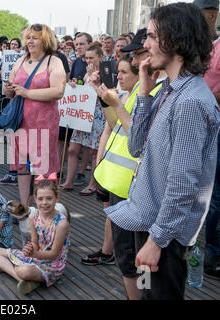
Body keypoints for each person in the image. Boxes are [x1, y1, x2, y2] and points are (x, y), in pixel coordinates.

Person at [105, 3, 219, 300]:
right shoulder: (167, 90)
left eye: (153, 36)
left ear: (176, 39)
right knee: (145, 296)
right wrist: (143, 92)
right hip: (150, 225)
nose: (146, 44)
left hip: (163, 237)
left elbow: (183, 183)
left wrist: (156, 241)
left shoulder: (190, 101)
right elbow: (136, 145)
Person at [89, 54, 143, 299]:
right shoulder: (131, 93)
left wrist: (117, 104)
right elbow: (115, 124)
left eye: (124, 72)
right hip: (119, 182)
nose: (118, 76)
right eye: (118, 71)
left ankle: (142, 296)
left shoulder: (146, 95)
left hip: (131, 186)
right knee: (129, 254)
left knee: (134, 255)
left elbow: (139, 139)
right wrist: (105, 98)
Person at [4, 23, 66, 207]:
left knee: (42, 167)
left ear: (45, 40)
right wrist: (9, 89)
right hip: (20, 122)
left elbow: (58, 91)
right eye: (28, 37)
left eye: (34, 37)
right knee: (22, 165)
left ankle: (44, 207)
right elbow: (10, 92)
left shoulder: (53, 62)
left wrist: (28, 93)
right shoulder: (21, 60)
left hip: (44, 123)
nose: (30, 41)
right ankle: (25, 205)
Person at [0, 180, 71, 295]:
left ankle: (11, 269)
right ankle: (23, 280)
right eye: (41, 199)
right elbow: (34, 242)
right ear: (35, 200)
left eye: (49, 198)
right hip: (34, 258)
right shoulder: (34, 216)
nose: (44, 203)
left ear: (57, 198)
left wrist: (34, 254)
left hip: (51, 265)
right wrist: (30, 248)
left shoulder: (61, 224)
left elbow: (53, 254)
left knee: (23, 270)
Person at [193, 0, 220, 279]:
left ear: (211, 15)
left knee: (215, 196)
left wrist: (197, 93)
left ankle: (212, 254)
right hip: (198, 127)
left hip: (216, 128)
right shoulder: (200, 46)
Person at [60, 45, 106, 195]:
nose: (88, 60)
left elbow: (105, 95)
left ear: (100, 57)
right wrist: (74, 85)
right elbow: (83, 91)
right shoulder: (87, 73)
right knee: (73, 149)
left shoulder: (105, 73)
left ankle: (93, 184)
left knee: (94, 152)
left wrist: (94, 80)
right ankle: (69, 181)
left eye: (91, 57)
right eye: (86, 57)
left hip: (97, 116)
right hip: (82, 116)